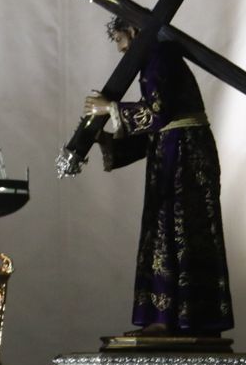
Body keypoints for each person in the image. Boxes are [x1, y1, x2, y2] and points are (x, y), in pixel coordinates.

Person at [84, 17, 234, 333]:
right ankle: (172, 317)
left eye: (121, 42)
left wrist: (109, 109)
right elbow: (160, 124)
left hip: (184, 159)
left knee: (174, 230)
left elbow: (157, 114)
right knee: (166, 229)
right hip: (175, 152)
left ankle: (175, 319)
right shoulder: (155, 60)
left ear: (135, 32)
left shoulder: (159, 58)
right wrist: (107, 138)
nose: (122, 50)